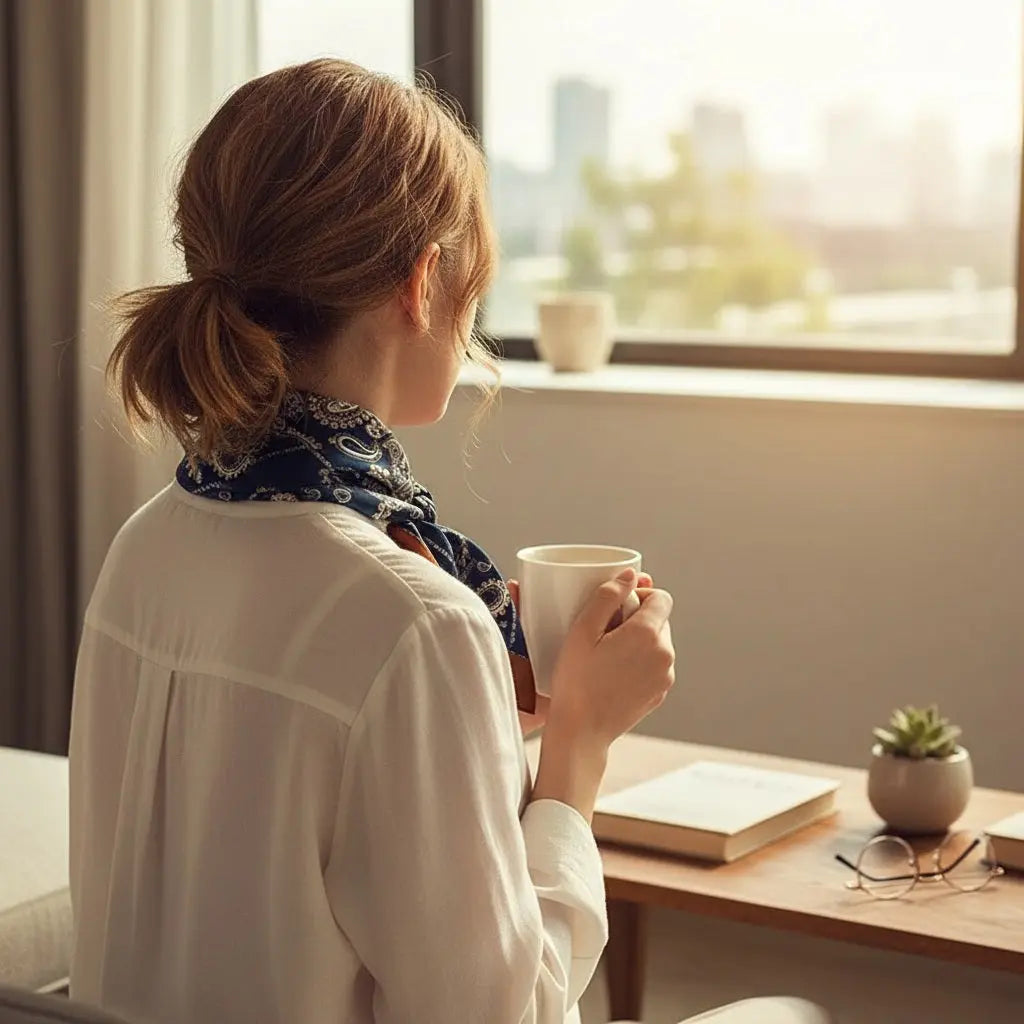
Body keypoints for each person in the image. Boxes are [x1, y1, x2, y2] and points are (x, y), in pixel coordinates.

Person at [68, 59, 675, 1024]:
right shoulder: (417, 622)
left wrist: (474, 722)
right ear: (423, 284)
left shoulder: (146, 545)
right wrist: (578, 747)